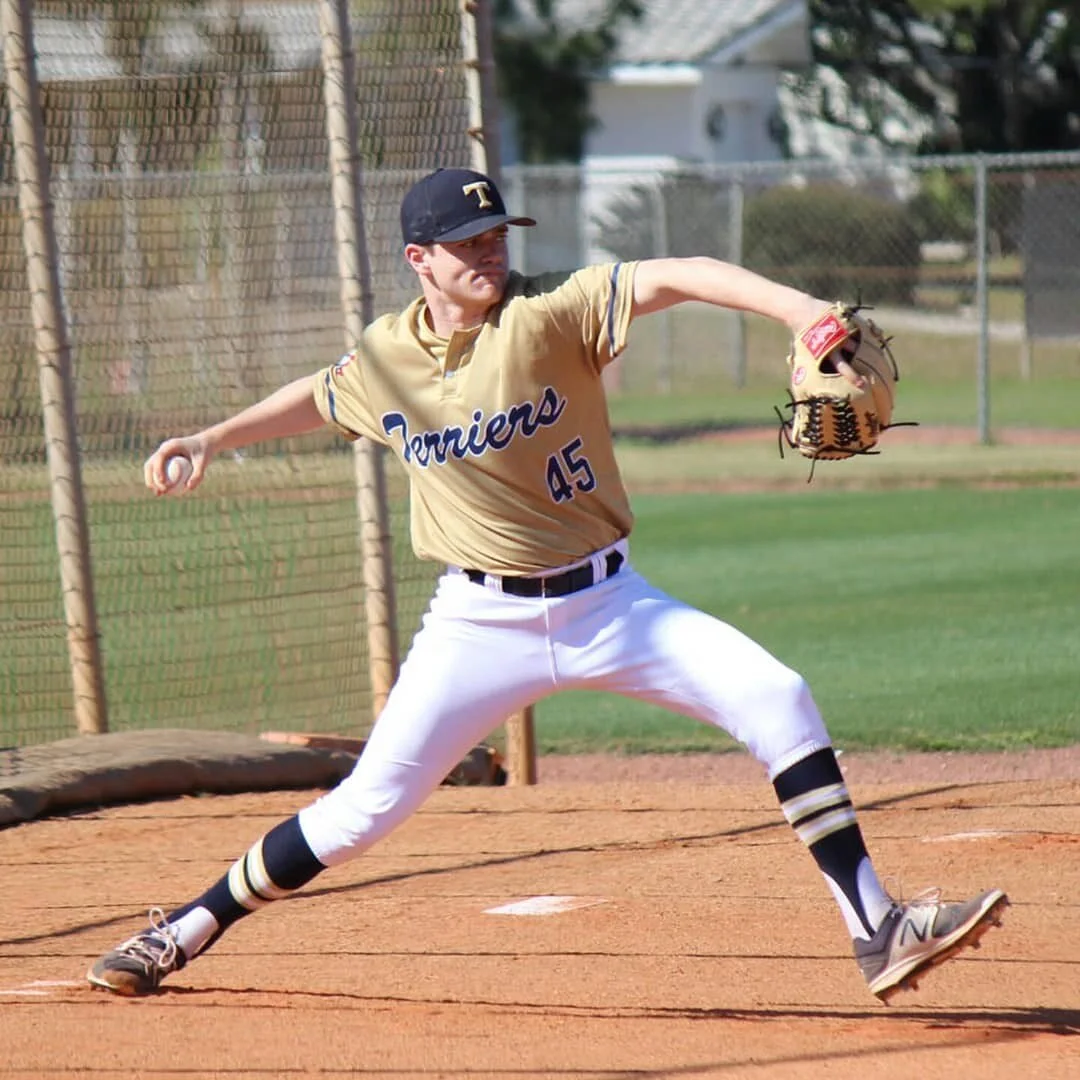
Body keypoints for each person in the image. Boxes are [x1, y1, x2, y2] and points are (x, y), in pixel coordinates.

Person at [87, 167, 1007, 1001]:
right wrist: (210, 439)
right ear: (420, 260)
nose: (491, 251)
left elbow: (678, 272)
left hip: (610, 605)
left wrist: (801, 310)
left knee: (779, 696)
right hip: (476, 624)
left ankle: (874, 929)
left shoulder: (551, 311)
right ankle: (182, 930)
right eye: (468, 242)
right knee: (363, 811)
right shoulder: (385, 359)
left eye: (497, 235)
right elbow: (320, 394)